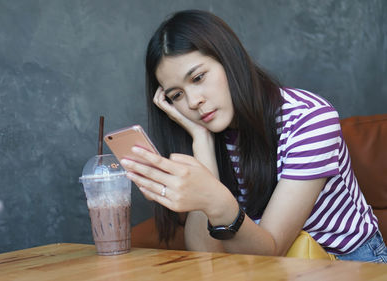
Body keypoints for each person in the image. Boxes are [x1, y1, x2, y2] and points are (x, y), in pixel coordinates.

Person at [119, 9, 387, 263]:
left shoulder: (310, 120)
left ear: (229, 60)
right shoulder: (210, 131)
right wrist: (201, 142)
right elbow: (205, 257)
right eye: (176, 95)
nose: (193, 101)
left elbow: (271, 250)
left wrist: (217, 199)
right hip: (266, 266)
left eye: (198, 77)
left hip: (348, 263)